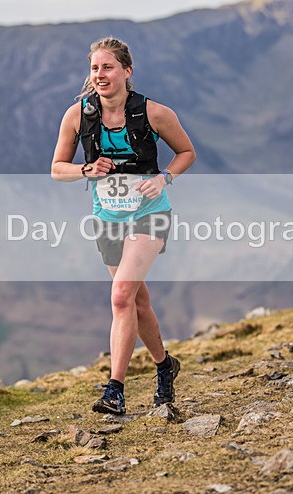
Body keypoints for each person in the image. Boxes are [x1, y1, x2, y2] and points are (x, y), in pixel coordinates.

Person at [51, 37, 196, 414]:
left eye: (108, 67)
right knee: (137, 301)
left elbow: (186, 152)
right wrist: (86, 168)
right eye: (95, 68)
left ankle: (114, 390)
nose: (100, 74)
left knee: (120, 296)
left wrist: (163, 178)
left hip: (150, 213)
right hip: (108, 218)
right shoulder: (77, 115)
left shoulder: (154, 113)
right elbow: (57, 169)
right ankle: (165, 366)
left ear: (127, 71)